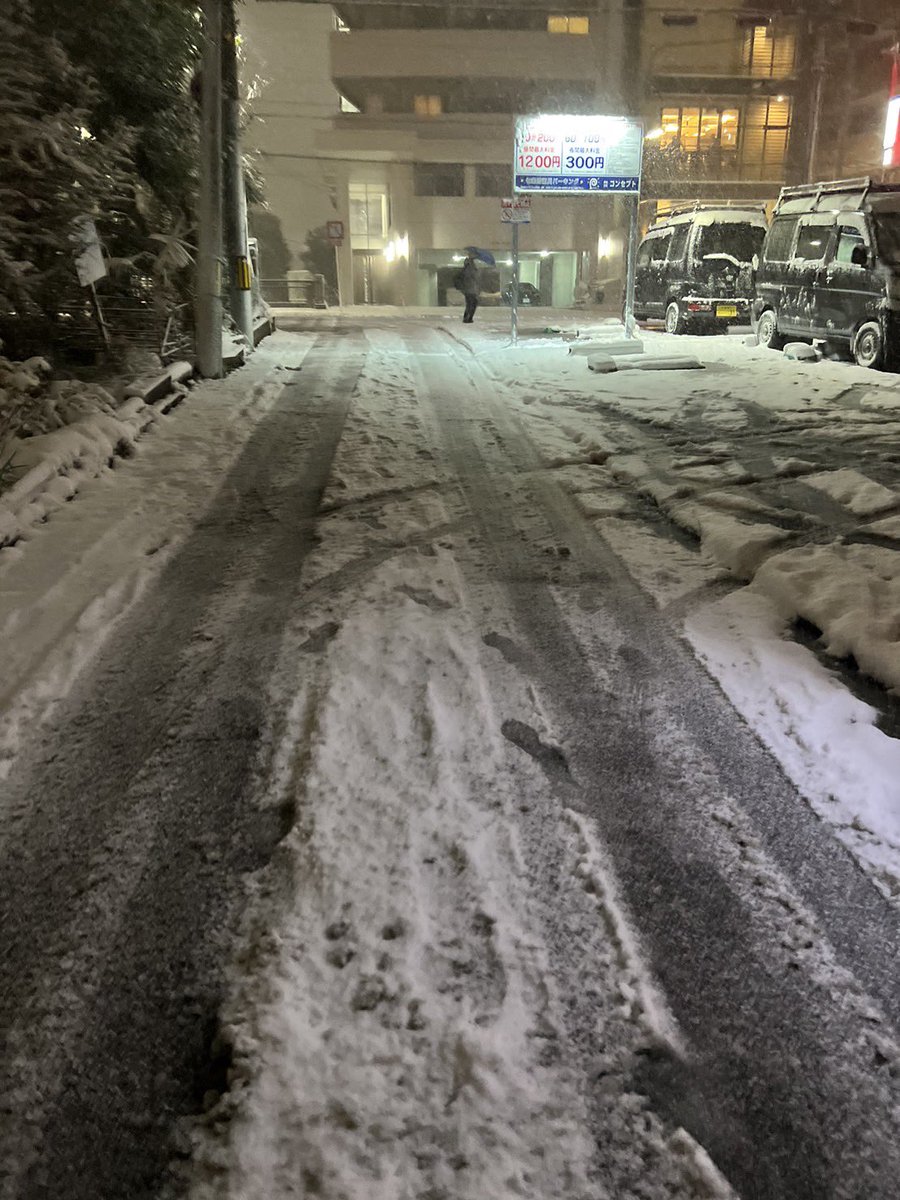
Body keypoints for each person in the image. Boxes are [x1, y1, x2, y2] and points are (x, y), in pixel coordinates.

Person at [459, 255, 480, 324]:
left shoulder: (466, 270)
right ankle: (468, 318)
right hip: (471, 290)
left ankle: (467, 317)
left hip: (469, 290)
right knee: (472, 304)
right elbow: (474, 278)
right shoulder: (469, 270)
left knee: (469, 304)